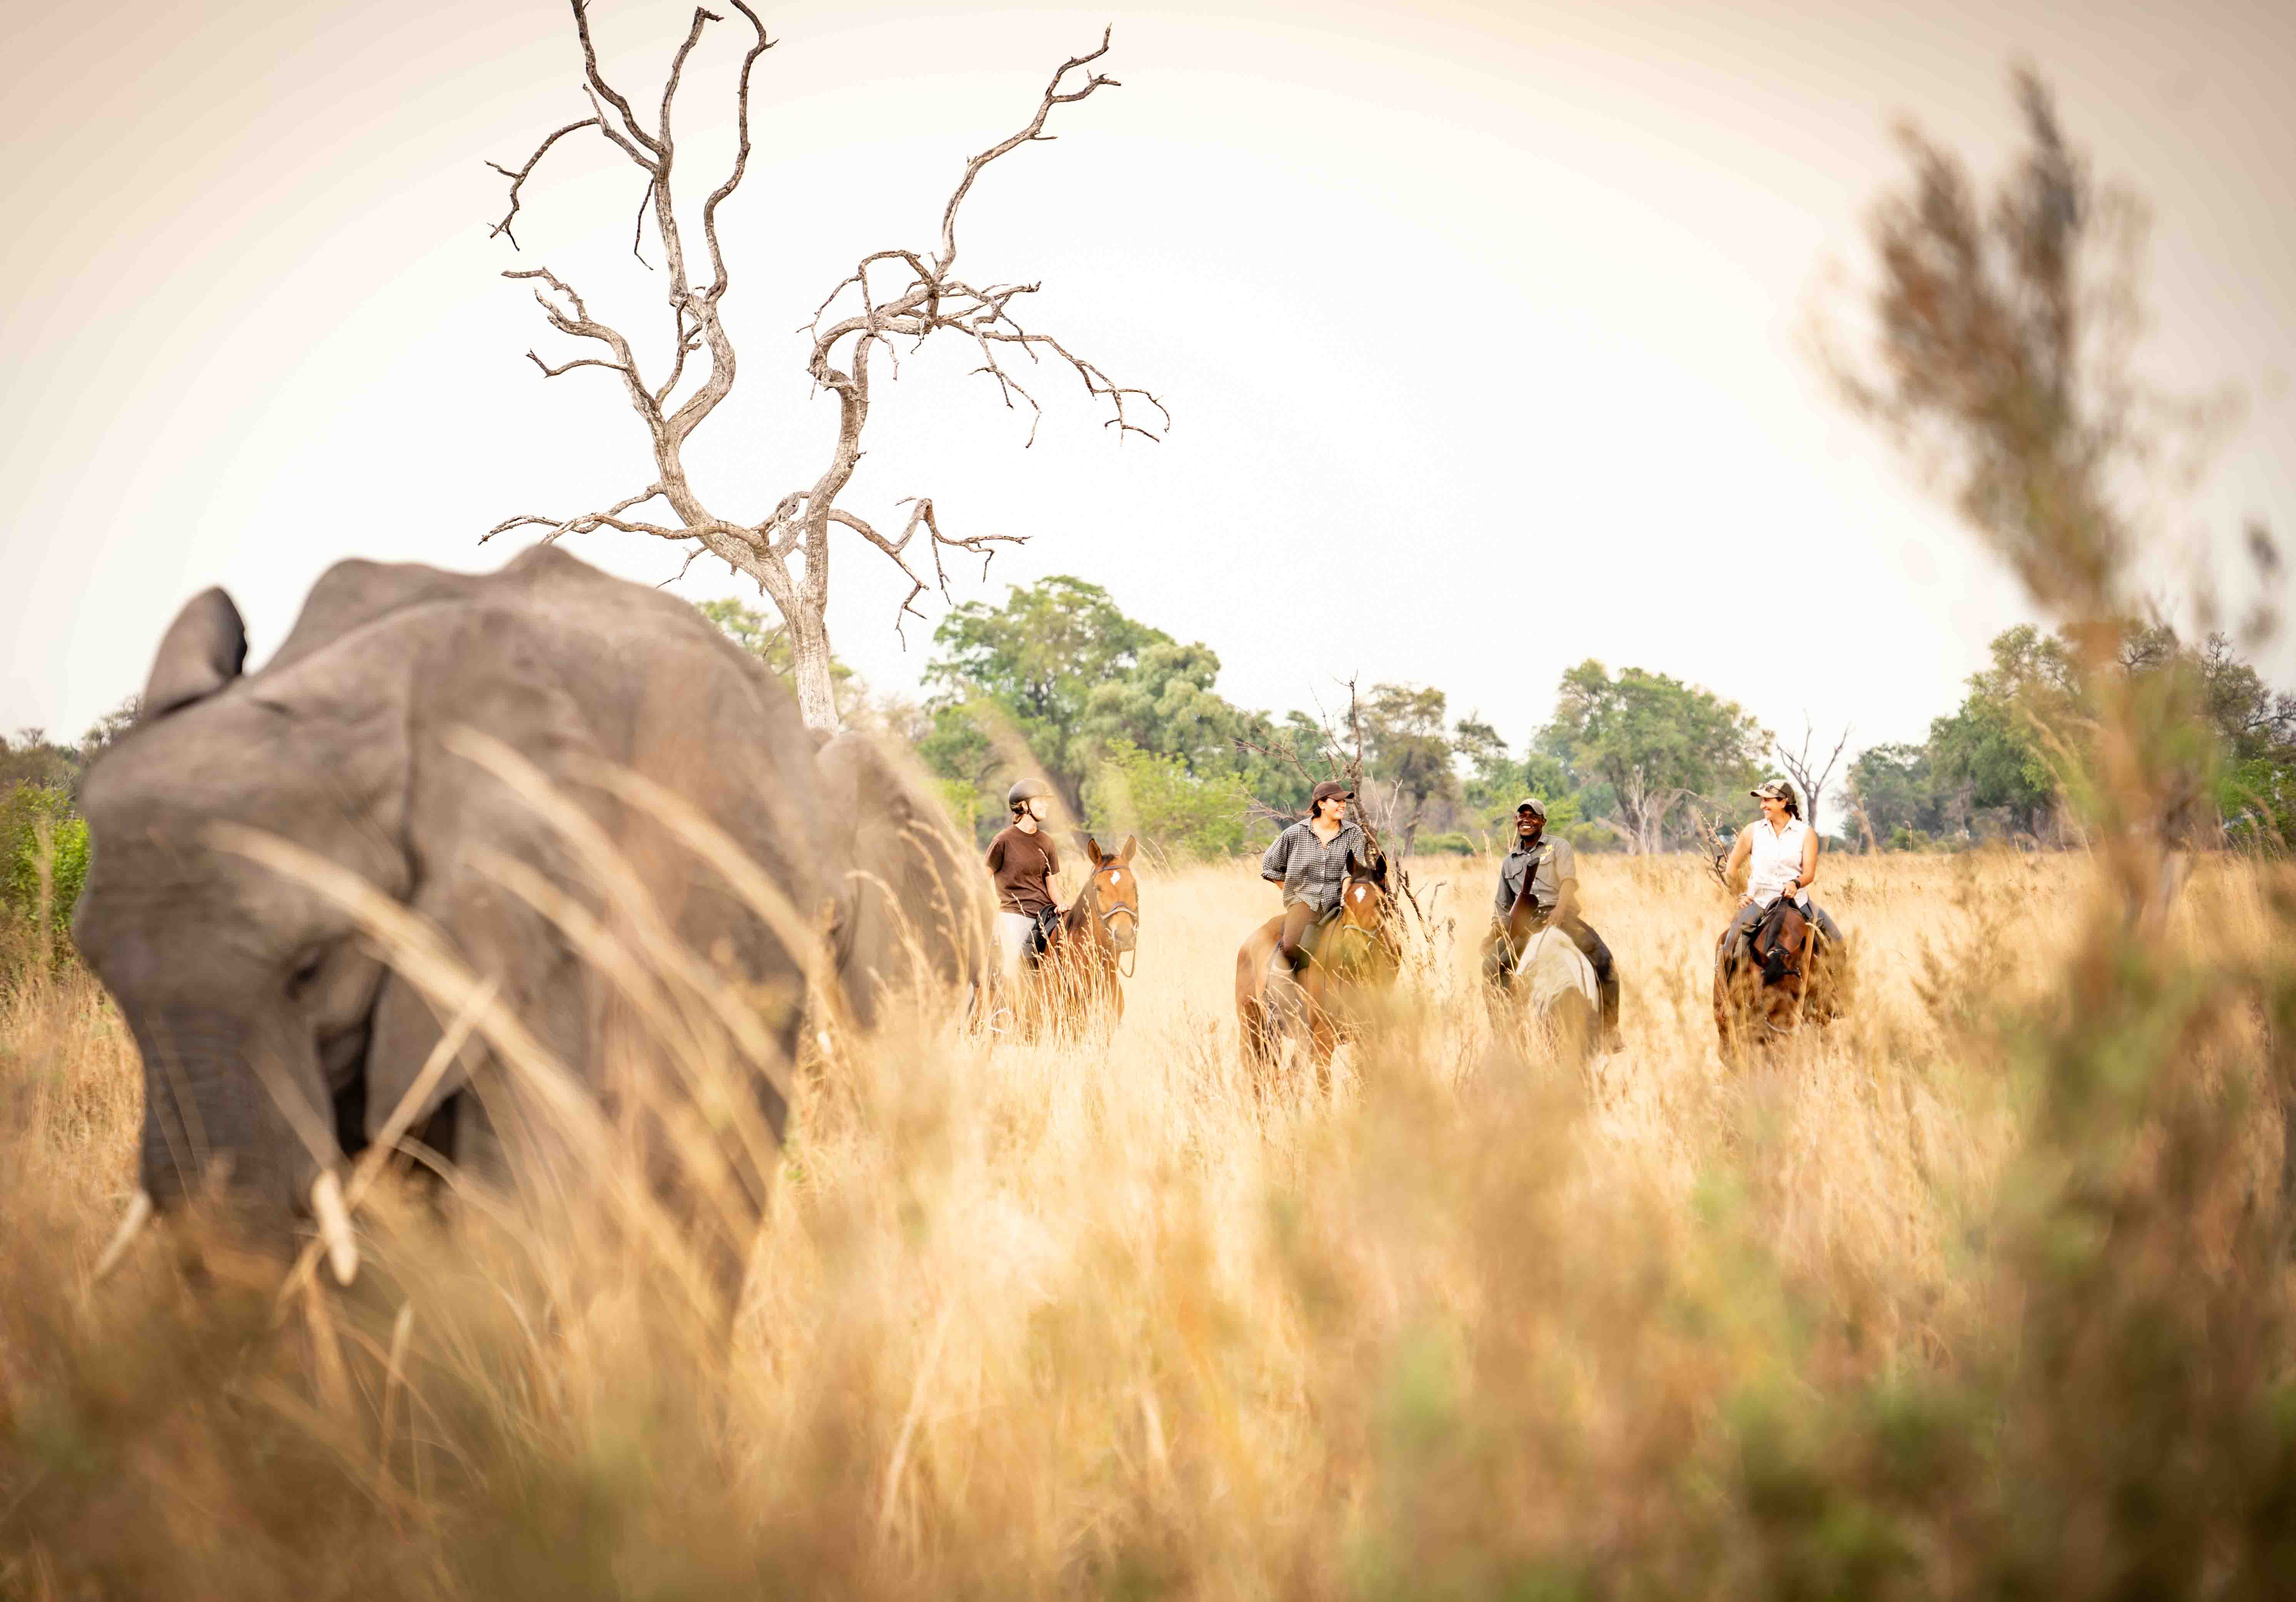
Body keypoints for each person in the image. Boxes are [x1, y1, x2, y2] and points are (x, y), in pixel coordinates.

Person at [1482, 798, 1623, 1052]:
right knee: (1491, 967)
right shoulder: (1509, 862)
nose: (1526, 819)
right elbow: (1503, 906)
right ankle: (1502, 1035)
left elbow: (1569, 881)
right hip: (1526, 925)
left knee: (1605, 960)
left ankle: (1609, 1029)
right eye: (1521, 815)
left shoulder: (1558, 847)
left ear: (1543, 822)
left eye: (1532, 815)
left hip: (1561, 917)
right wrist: (1496, 934)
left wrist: (1560, 909)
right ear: (1516, 822)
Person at [1720, 778, 1843, 958]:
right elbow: (1731, 867)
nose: (1762, 806)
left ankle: (1836, 986)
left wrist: (1795, 883)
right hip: (1759, 902)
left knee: (1838, 946)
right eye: (1762, 801)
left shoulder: (1806, 833)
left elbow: (1809, 874)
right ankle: (1728, 987)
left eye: (1767, 801)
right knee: (1730, 953)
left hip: (1797, 903)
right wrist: (1740, 894)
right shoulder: (1752, 831)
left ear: (1784, 802)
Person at [1259, 779, 1369, 977]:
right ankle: (1285, 995)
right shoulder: (1294, 834)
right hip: (1304, 901)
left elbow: (1351, 869)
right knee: (1291, 948)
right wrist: (1291, 892)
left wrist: (1345, 895)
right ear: (1321, 804)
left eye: (1344, 801)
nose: (1343, 805)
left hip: (1339, 900)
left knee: (1358, 947)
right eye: (1337, 801)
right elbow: (1269, 865)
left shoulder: (1354, 833)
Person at [986, 776, 1062, 988]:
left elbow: (1052, 885)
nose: (1046, 804)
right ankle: (1003, 1013)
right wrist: (994, 920)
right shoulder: (1003, 841)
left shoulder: (1047, 842)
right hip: (1014, 916)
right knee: (1014, 972)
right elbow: (983, 880)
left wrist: (1062, 905)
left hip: (1046, 915)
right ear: (1024, 806)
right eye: (1040, 800)